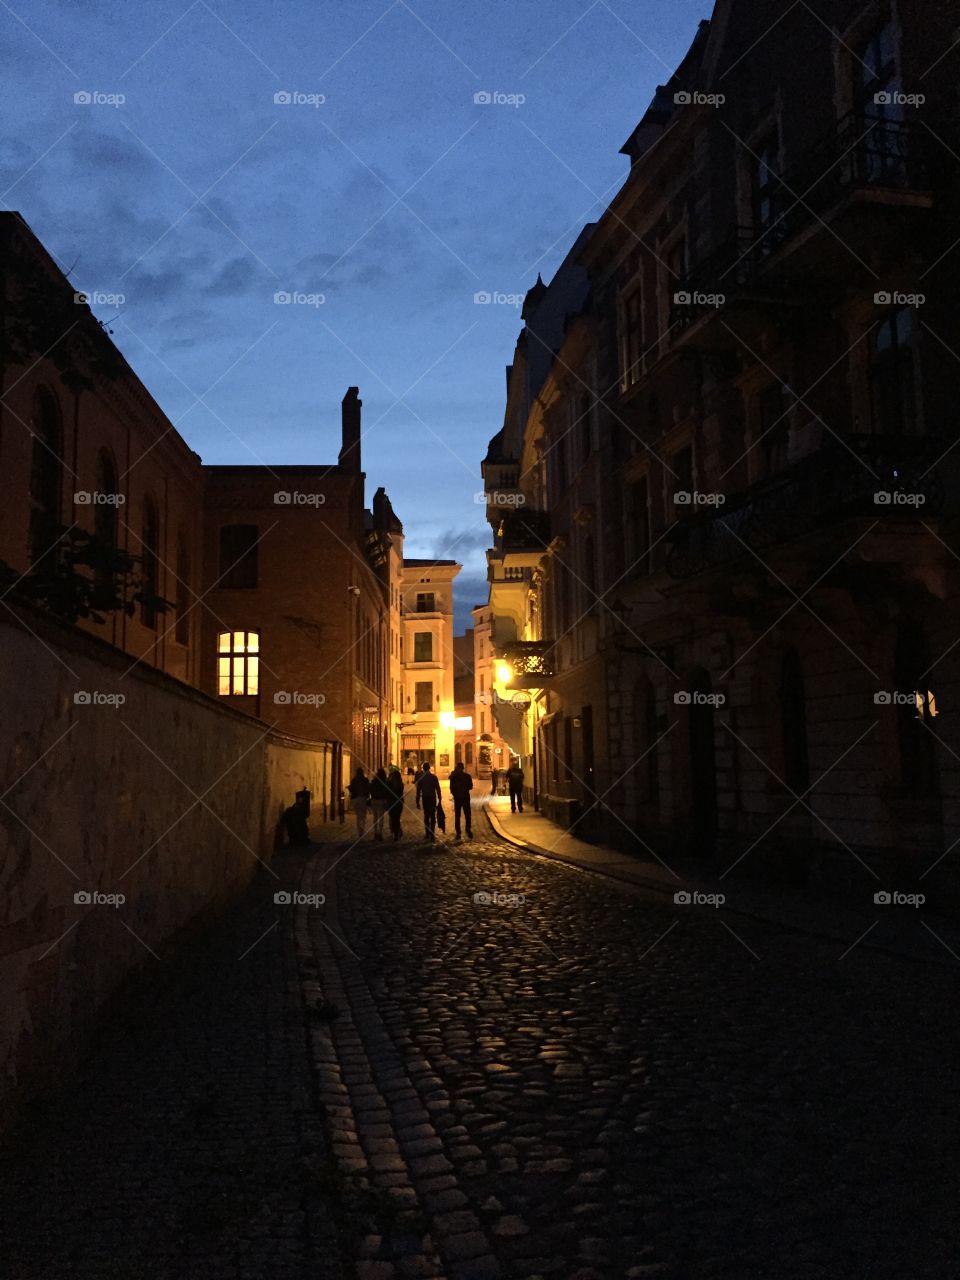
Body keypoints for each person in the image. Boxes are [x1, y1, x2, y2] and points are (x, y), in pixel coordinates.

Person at [414, 761, 442, 841]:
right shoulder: (434, 777)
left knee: (426, 816)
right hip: (432, 798)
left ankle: (427, 833)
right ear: (429, 768)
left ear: (423, 769)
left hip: (425, 798)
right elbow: (438, 789)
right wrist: (440, 799)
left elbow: (418, 790)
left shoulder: (421, 778)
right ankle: (432, 834)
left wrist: (417, 801)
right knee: (432, 816)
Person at [449, 761, 473, 839]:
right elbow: (470, 787)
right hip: (465, 797)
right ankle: (468, 829)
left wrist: (455, 794)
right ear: (463, 768)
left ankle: (458, 832)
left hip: (457, 798)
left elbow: (451, 788)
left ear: (457, 768)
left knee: (457, 815)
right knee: (467, 815)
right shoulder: (467, 776)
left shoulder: (454, 777)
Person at [370, 767, 392, 841]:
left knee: (375, 818)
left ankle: (375, 833)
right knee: (380, 818)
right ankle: (380, 833)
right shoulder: (385, 782)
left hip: (374, 800)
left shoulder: (373, 781)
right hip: (381, 801)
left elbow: (371, 790)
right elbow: (386, 792)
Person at [347, 767, 371, 836]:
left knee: (358, 816)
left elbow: (352, 789)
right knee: (363, 815)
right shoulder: (365, 780)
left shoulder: (354, 780)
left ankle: (359, 830)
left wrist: (350, 788)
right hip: (363, 799)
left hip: (356, 799)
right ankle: (362, 829)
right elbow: (368, 788)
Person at [387, 767, 405, 841]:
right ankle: (397, 833)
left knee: (392, 818)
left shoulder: (389, 783)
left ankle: (394, 832)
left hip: (391, 802)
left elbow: (387, 792)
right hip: (399, 802)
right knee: (397, 818)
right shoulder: (401, 784)